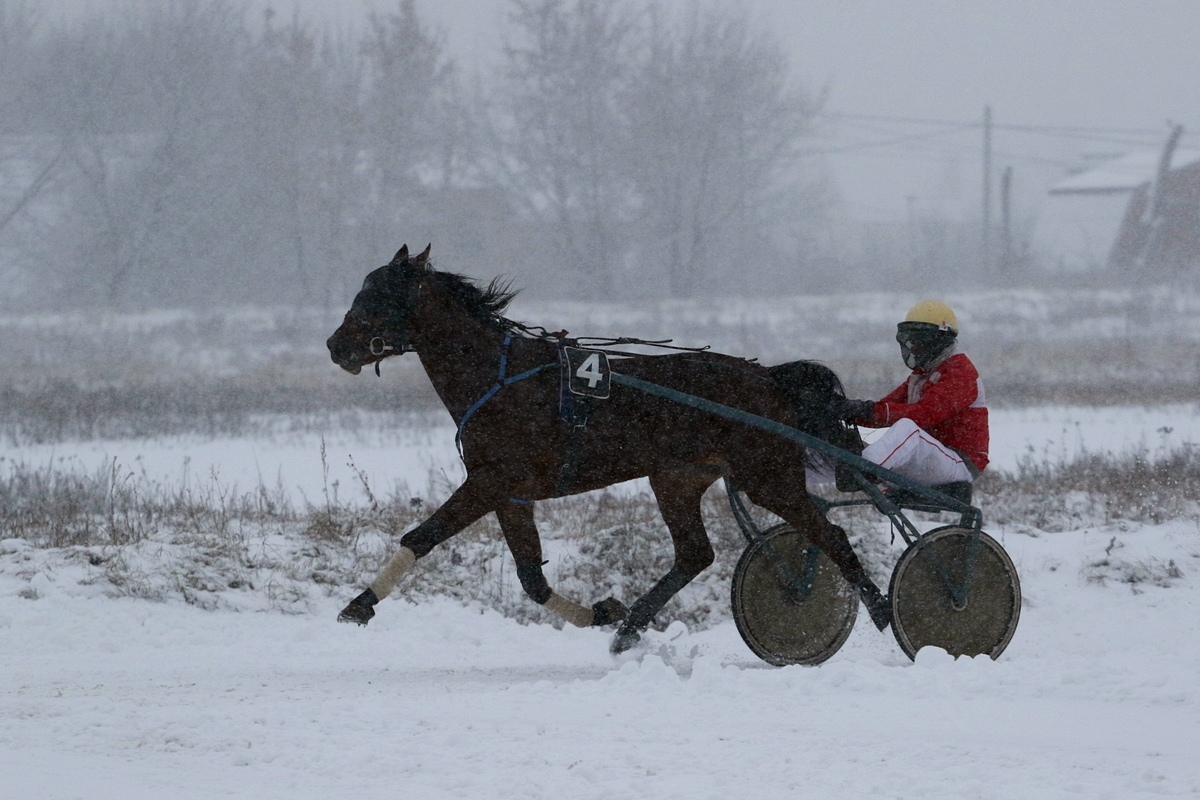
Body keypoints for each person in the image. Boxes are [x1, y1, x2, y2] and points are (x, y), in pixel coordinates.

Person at [834, 300, 988, 491]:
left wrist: (867, 410)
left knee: (908, 428)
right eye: (911, 340)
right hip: (930, 457)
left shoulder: (960, 373)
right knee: (843, 437)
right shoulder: (922, 374)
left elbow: (923, 414)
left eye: (919, 340)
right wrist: (841, 408)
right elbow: (883, 409)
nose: (914, 346)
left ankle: (862, 469)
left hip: (960, 464)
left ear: (940, 340)